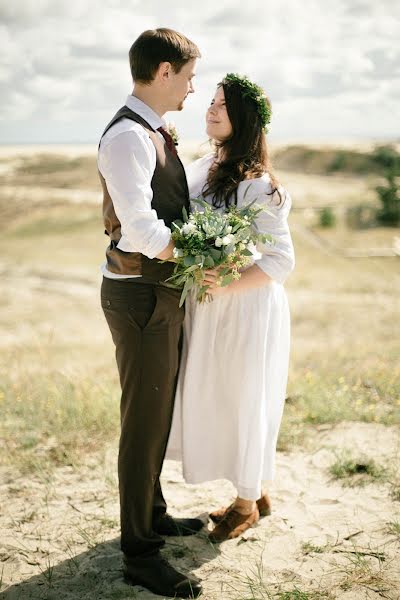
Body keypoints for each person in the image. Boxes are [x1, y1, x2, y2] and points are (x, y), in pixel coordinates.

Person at [167, 73, 295, 542]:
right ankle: (254, 489)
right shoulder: (203, 166)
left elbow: (282, 260)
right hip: (210, 307)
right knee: (220, 399)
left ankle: (245, 506)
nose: (211, 109)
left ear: (243, 120)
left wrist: (226, 280)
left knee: (244, 398)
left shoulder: (258, 185)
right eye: (213, 101)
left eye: (223, 105)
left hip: (246, 310)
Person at [98, 28, 203, 597]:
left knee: (158, 412)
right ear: (164, 72)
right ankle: (139, 553)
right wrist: (203, 254)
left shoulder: (152, 131)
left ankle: (154, 513)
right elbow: (140, 231)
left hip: (159, 293)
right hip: (138, 297)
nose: (192, 88)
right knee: (142, 424)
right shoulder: (127, 138)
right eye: (188, 77)